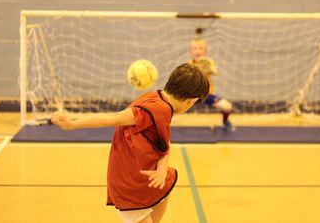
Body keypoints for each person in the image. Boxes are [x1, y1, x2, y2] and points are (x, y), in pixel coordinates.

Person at [52, 63, 209, 223]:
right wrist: (73, 123)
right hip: (129, 184)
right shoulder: (154, 110)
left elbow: (164, 142)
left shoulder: (159, 101)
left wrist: (162, 169)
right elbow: (113, 118)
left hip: (144, 178)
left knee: (166, 182)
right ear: (190, 102)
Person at [188, 35, 235, 131]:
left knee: (227, 107)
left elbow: (214, 71)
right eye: (195, 48)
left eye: (200, 48)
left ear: (205, 51)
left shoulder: (208, 62)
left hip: (206, 95)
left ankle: (225, 121)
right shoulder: (188, 64)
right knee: (172, 107)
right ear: (191, 52)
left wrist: (207, 67)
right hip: (192, 96)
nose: (197, 51)